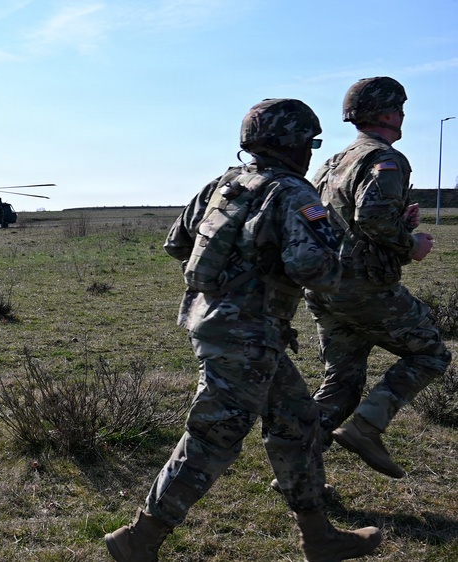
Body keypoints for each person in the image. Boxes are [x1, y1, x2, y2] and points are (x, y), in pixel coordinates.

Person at [104, 99, 381, 562]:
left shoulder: (225, 183)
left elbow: (178, 243)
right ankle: (138, 539)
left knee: (297, 422)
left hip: (220, 325)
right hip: (246, 337)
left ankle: (318, 536)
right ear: (293, 144)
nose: (312, 153)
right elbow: (314, 268)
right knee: (213, 439)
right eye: (310, 143)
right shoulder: (293, 194)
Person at [305, 76, 452, 478]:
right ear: (387, 113)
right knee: (431, 354)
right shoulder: (386, 158)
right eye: (401, 109)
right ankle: (366, 429)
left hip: (324, 287)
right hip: (364, 288)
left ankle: (296, 475)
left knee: (342, 384)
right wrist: (411, 243)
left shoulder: (332, 163)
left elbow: (325, 220)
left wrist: (397, 224)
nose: (403, 116)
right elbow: (370, 218)